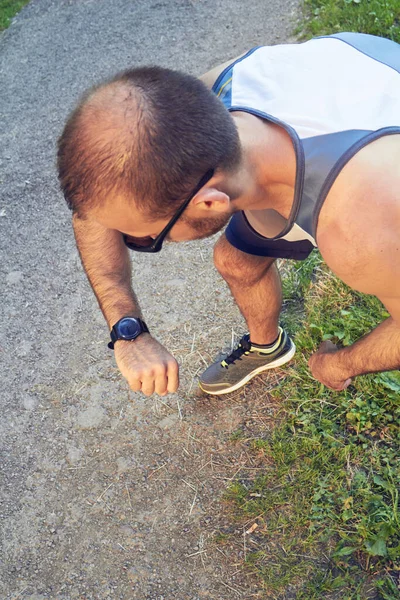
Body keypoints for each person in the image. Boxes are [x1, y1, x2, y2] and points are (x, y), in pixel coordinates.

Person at [57, 32, 400, 397]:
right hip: (364, 88)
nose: (136, 241)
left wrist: (337, 363)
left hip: (369, 177)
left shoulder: (362, 229)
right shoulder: (223, 87)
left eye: (148, 239)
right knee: (236, 262)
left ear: (210, 201)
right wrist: (128, 330)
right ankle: (267, 347)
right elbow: (93, 209)